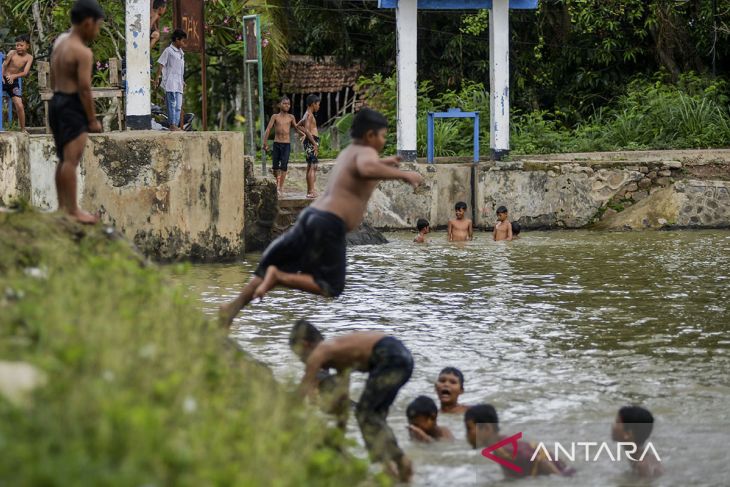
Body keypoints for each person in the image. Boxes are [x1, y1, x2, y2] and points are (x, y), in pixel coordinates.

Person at [219, 108, 423, 326]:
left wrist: (387, 163)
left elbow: (362, 168)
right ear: (370, 135)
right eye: (383, 135)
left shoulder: (350, 152)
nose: (383, 140)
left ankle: (232, 309)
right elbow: (366, 168)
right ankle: (279, 278)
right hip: (328, 224)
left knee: (267, 265)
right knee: (331, 286)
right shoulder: (366, 154)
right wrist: (403, 174)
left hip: (311, 216)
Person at [289, 320, 414, 482]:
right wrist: (339, 438)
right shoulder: (339, 356)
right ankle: (390, 470)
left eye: (301, 358)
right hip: (403, 358)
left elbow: (302, 390)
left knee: (364, 413)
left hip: (390, 356)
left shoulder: (320, 352)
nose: (304, 363)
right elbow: (343, 403)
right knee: (374, 417)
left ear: (305, 345)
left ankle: (401, 461)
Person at [50, 0, 105, 224]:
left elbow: (54, 74)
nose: (97, 30)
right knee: (72, 160)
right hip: (72, 104)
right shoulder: (82, 52)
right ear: (87, 23)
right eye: (97, 25)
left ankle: (62, 207)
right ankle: (73, 210)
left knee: (63, 159)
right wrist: (92, 119)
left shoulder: (60, 41)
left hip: (57, 100)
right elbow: (84, 88)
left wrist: (58, 96)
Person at [465, 404, 574, 478]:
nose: (467, 434)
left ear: (487, 428)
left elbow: (541, 461)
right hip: (567, 470)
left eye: (470, 429)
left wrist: (560, 479)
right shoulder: (503, 441)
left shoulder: (502, 451)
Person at [263, 96, 307, 197]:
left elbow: (296, 127)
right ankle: (277, 180)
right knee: (275, 168)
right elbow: (268, 129)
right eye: (284, 103)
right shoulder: (275, 116)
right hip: (277, 143)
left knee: (284, 166)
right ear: (280, 105)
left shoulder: (291, 117)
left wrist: (303, 134)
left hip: (286, 144)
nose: (287, 105)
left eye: (288, 104)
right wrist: (264, 143)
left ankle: (280, 188)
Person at [612, 405, 663, 478]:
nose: (613, 425)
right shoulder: (642, 456)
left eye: (617, 422)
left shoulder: (642, 466)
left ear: (628, 434)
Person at [154, 29, 186, 131]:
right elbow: (161, 64)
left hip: (178, 82)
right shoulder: (168, 51)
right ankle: (172, 124)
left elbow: (179, 69)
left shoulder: (181, 53)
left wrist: (183, 80)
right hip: (170, 82)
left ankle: (175, 124)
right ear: (177, 39)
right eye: (182, 41)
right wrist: (157, 78)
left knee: (178, 106)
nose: (183, 43)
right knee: (172, 104)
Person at [2, 35, 34, 132]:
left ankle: (23, 129)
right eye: (17, 45)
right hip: (3, 79)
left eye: (21, 45)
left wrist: (13, 76)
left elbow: (25, 72)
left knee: (19, 105)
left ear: (27, 46)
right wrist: (2, 77)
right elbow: (3, 65)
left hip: (13, 82)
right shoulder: (12, 53)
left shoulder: (29, 57)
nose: (19, 47)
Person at [298, 94, 321, 198]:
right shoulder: (309, 115)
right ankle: (311, 191)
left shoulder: (306, 114)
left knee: (310, 166)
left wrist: (304, 135)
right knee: (313, 166)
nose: (319, 107)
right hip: (312, 141)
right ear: (313, 104)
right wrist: (314, 143)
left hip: (310, 140)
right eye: (318, 104)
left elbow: (298, 125)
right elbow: (307, 129)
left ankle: (309, 191)